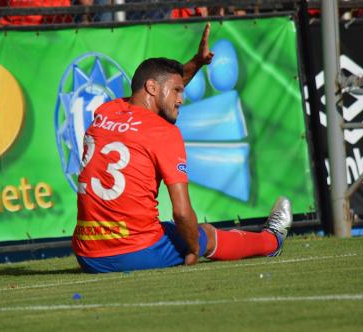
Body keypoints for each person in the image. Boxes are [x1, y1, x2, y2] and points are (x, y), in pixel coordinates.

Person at [72, 23, 293, 273]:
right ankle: (272, 239)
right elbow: (181, 211)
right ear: (153, 88)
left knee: (168, 228)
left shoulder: (106, 111)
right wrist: (192, 249)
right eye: (177, 90)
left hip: (87, 255)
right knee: (204, 234)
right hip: (134, 253)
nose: (181, 98)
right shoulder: (163, 132)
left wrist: (196, 63)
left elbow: (159, 93)